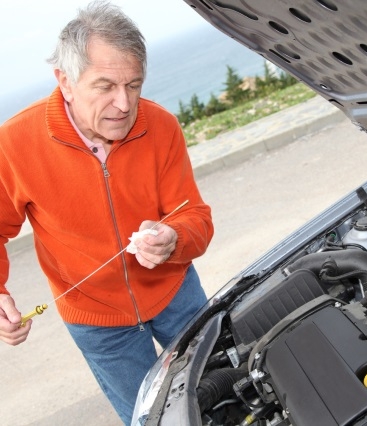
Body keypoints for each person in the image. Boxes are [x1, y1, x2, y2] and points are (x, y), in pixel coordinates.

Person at [0, 1, 214, 424]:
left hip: (177, 296)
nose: (124, 103)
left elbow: (196, 219)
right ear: (65, 81)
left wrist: (174, 239)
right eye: (105, 86)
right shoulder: (14, 143)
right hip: (97, 322)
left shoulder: (161, 126)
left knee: (223, 393)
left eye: (134, 84)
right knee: (152, 419)